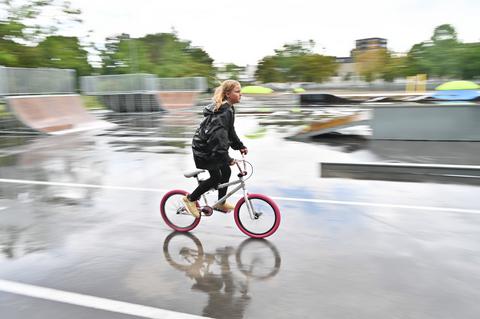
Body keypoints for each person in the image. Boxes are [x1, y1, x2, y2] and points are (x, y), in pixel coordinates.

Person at [182, 80, 248, 218]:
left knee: (226, 171)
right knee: (216, 176)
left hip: (210, 147)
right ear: (228, 94)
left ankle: (220, 202)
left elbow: (230, 131)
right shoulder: (222, 113)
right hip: (204, 149)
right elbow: (217, 138)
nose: (241, 94)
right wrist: (226, 158)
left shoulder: (228, 108)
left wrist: (239, 145)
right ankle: (190, 199)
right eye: (237, 91)